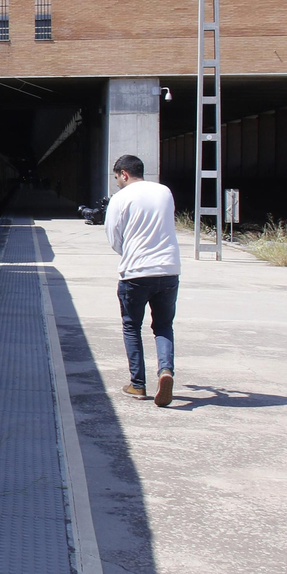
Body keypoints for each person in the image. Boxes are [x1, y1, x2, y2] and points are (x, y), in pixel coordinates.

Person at [103, 154, 180, 406]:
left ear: (124, 174)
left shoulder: (120, 198)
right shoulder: (164, 192)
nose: (117, 183)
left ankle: (138, 385)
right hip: (168, 271)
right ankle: (165, 371)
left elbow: (114, 236)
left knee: (131, 327)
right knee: (163, 326)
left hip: (136, 273)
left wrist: (130, 252)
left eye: (117, 178)